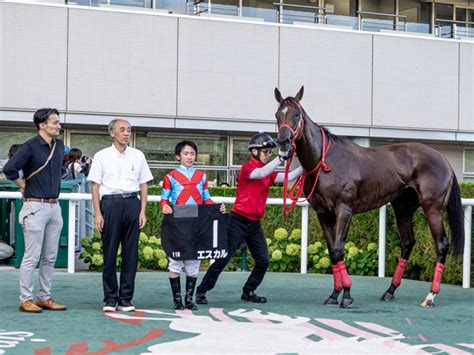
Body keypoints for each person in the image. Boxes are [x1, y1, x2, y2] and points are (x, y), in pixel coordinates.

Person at [196, 132, 303, 304]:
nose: (269, 155)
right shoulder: (248, 168)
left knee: (263, 260)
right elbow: (260, 173)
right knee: (223, 259)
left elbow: (289, 177)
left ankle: (249, 291)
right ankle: (202, 291)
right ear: (254, 152)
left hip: (254, 224)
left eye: (270, 152)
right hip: (237, 221)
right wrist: (280, 158)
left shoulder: (267, 171)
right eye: (266, 152)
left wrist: (308, 164)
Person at [3, 108, 67, 313]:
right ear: (42, 124)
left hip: (54, 206)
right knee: (32, 256)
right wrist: (21, 184)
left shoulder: (59, 146)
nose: (59, 126)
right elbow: (10, 169)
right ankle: (26, 298)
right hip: (35, 206)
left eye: (58, 122)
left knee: (50, 256)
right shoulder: (30, 146)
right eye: (55, 122)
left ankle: (44, 297)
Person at [88, 119, 153, 312]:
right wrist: (98, 213)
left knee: (130, 254)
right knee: (109, 253)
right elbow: (95, 186)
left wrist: (142, 211)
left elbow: (143, 185)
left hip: (132, 203)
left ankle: (126, 299)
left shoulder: (138, 155)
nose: (127, 133)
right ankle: (110, 298)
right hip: (109, 204)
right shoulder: (102, 156)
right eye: (122, 130)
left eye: (129, 130)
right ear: (112, 133)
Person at [161, 140, 225, 310]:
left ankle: (189, 300)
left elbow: (206, 198)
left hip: (197, 224)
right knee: (175, 261)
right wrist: (164, 206)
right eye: (186, 153)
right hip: (178, 223)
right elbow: (164, 199)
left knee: (194, 261)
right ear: (178, 156)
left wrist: (218, 207)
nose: (190, 157)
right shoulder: (170, 177)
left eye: (192, 153)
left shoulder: (201, 176)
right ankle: (177, 300)